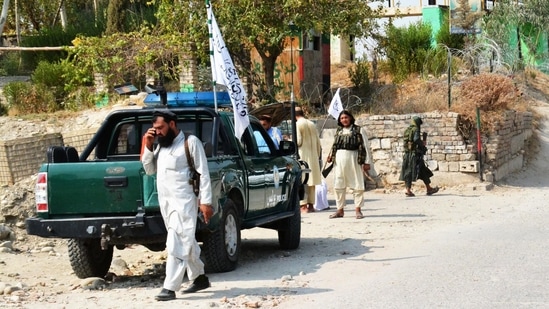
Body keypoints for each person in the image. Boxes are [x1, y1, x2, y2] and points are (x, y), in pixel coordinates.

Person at [141, 109, 214, 301]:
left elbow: (203, 173)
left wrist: (206, 202)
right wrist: (147, 145)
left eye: (160, 128)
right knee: (185, 239)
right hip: (166, 203)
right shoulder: (161, 146)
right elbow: (149, 170)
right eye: (154, 129)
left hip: (185, 202)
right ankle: (199, 278)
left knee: (177, 241)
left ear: (172, 124)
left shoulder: (190, 143)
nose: (157, 132)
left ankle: (170, 287)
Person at [327, 110, 372, 219]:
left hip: (354, 159)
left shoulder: (359, 130)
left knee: (357, 185)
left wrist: (367, 162)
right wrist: (330, 156)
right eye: (342, 118)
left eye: (346, 117)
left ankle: (358, 210)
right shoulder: (339, 131)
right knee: (338, 185)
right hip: (339, 160)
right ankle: (340, 210)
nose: (344, 120)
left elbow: (365, 146)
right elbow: (334, 145)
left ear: (350, 118)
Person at [399, 115, 439, 197]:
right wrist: (422, 144)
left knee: (408, 172)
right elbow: (416, 139)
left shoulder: (408, 130)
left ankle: (409, 190)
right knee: (423, 170)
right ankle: (429, 189)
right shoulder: (416, 129)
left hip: (407, 155)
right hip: (415, 156)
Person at [295, 107, 322, 213]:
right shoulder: (312, 124)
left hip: (303, 155)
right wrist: (318, 155)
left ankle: (303, 205)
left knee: (304, 180)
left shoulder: (297, 124)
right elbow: (318, 142)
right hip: (314, 155)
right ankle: (311, 205)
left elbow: (298, 141)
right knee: (312, 181)